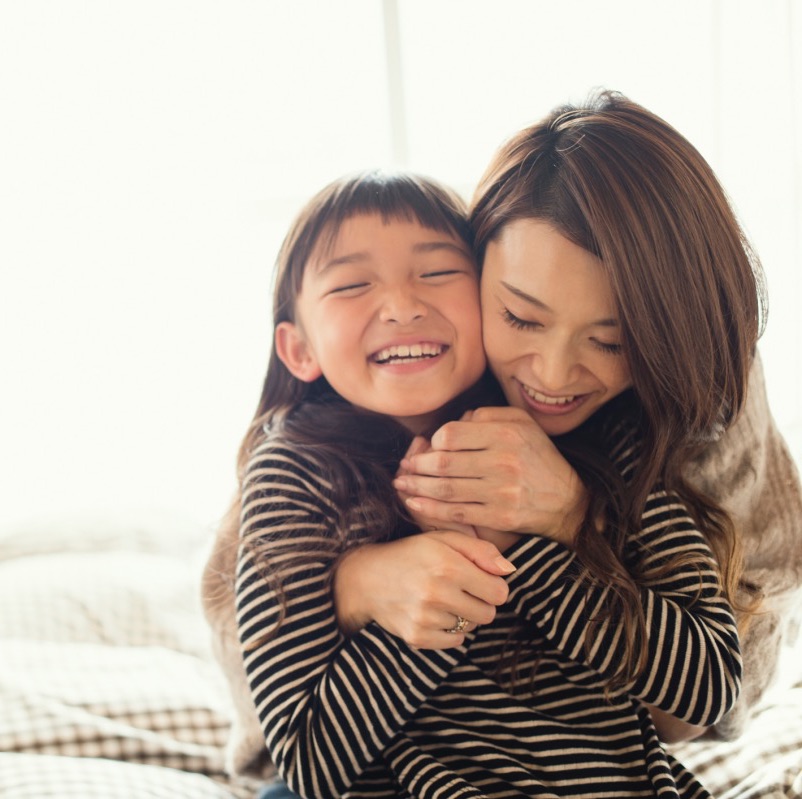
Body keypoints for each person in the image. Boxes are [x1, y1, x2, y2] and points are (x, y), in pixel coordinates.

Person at [203, 93, 756, 798]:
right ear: (298, 347)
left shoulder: (613, 440)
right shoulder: (294, 476)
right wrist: (425, 589)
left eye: (436, 273)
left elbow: (710, 687)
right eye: (522, 317)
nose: (403, 304)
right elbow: (308, 759)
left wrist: (539, 539)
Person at [335, 89, 802, 757]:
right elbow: (253, 635)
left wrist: (574, 521)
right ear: (476, 261)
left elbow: (713, 701)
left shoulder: (707, 378)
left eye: (612, 343)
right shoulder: (419, 332)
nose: (552, 376)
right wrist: (359, 582)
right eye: (521, 318)